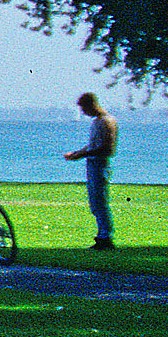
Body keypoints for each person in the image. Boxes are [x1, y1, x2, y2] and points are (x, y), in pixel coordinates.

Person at [69, 93, 120, 249]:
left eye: (84, 108)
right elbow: (92, 145)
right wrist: (78, 153)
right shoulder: (96, 122)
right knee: (95, 202)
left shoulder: (107, 121)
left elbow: (107, 147)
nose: (83, 112)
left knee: (100, 201)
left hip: (100, 165)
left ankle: (106, 237)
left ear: (91, 105)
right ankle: (102, 234)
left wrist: (83, 154)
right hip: (92, 165)